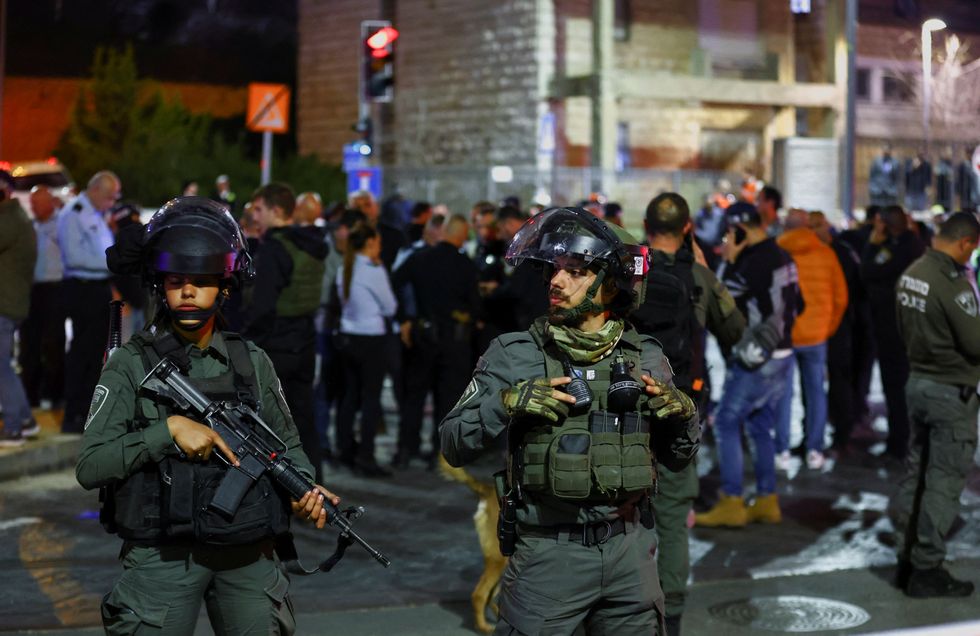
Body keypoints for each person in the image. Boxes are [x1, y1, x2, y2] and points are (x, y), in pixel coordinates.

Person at [76, 196, 340, 634]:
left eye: (203, 280)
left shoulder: (251, 360)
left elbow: (288, 446)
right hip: (163, 557)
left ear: (225, 285)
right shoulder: (131, 363)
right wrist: (167, 431)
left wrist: (303, 488)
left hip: (247, 553)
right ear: (160, 284)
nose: (189, 291)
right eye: (177, 279)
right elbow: (90, 465)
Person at [441, 207, 700, 634]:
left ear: (611, 283)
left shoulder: (647, 355)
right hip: (548, 557)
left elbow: (678, 458)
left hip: (630, 555)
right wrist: (506, 402)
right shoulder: (515, 353)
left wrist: (684, 415)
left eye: (575, 271)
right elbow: (452, 442)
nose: (556, 281)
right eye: (556, 269)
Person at [631, 192, 745, 636]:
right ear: (687, 229)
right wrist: (706, 273)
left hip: (629, 407)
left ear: (645, 224)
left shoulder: (628, 271)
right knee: (674, 517)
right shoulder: (697, 275)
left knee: (619, 510)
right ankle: (670, 614)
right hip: (679, 408)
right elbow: (735, 330)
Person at [695, 202, 801, 527]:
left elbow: (719, 299)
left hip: (757, 358)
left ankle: (732, 500)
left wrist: (727, 261)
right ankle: (767, 498)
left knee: (726, 422)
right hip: (782, 355)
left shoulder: (751, 262)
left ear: (738, 229)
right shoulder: (783, 256)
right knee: (759, 426)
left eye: (729, 232)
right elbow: (800, 303)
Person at [892, 211, 980, 598]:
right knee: (943, 482)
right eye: (972, 250)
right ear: (964, 243)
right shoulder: (952, 285)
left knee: (917, 474)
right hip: (950, 392)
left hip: (918, 383)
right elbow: (975, 343)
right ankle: (927, 569)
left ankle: (907, 559)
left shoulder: (912, 272)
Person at [244, 183, 328, 483]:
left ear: (276, 210)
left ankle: (277, 492)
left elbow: (263, 306)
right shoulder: (313, 244)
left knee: (268, 424)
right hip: (304, 342)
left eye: (259, 209)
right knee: (304, 421)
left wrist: (247, 342)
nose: (255, 216)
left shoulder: (274, 249)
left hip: (276, 346)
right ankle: (312, 485)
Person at [392, 214, 480, 469]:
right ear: (462, 236)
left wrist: (406, 317)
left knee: (414, 397)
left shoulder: (420, 258)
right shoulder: (465, 265)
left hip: (422, 336)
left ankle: (405, 449)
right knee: (447, 399)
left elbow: (395, 282)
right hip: (453, 342)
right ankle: (438, 453)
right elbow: (476, 306)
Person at [774, 209, 848, 470]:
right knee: (816, 392)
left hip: (784, 335)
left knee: (783, 393)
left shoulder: (777, 253)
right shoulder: (826, 253)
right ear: (807, 226)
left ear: (785, 226)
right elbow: (841, 298)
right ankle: (814, 449)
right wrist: (827, 328)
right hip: (816, 335)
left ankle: (781, 450)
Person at [57, 170, 120, 433]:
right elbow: (73, 258)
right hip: (83, 290)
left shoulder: (94, 214)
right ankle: (74, 413)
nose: (112, 203)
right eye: (109, 197)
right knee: (82, 354)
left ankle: (87, 410)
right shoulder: (75, 213)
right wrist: (112, 264)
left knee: (95, 356)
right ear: (95, 190)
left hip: (97, 289)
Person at [860, 206, 925, 461]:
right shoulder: (909, 244)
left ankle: (901, 443)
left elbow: (868, 271)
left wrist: (874, 243)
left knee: (897, 386)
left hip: (897, 328)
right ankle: (902, 439)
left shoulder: (904, 248)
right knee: (898, 386)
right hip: (901, 326)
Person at [335, 224, 397, 476]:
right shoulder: (374, 270)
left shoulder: (345, 268)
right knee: (371, 400)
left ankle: (345, 450)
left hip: (348, 337)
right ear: (370, 242)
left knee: (349, 397)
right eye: (378, 242)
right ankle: (366, 457)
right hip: (371, 339)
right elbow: (390, 306)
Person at [0, 170, 39, 446]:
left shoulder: (9, 219)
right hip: (11, 302)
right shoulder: (16, 216)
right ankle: (25, 419)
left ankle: (13, 427)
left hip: (4, 304)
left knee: (1, 366)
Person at [19, 185, 66, 410]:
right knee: (30, 344)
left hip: (55, 289)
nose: (33, 207)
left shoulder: (62, 224)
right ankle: (31, 394)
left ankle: (55, 394)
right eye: (32, 203)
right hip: (32, 290)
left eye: (36, 203)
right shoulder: (31, 226)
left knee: (53, 343)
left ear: (49, 202)